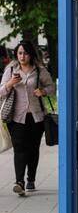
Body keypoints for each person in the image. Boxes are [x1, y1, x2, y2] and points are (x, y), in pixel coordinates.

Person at [0, 40, 54, 196]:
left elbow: (51, 88)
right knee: (19, 149)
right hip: (16, 118)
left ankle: (31, 178)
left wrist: (42, 91)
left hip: (36, 118)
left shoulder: (39, 70)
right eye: (20, 53)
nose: (22, 56)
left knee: (33, 149)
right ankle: (19, 182)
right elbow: (1, 91)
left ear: (31, 54)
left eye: (25, 53)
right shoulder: (10, 70)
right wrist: (10, 83)